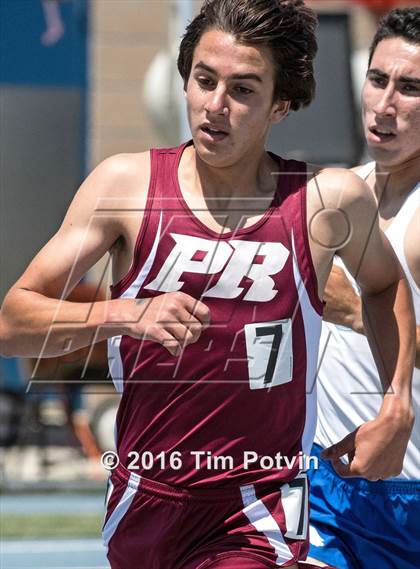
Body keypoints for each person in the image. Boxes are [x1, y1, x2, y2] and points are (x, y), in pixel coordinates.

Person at [0, 1, 415, 567]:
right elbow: (12, 322)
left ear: (281, 104)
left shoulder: (326, 201)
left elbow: (386, 287)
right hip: (145, 498)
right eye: (204, 80)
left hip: (260, 503)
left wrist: (395, 406)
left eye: (243, 89)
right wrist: (124, 315)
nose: (215, 106)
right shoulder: (125, 185)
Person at [308, 7, 420, 569]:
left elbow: (357, 313)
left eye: (411, 88)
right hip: (326, 484)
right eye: (378, 80)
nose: (385, 105)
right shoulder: (341, 192)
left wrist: (358, 313)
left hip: (408, 499)